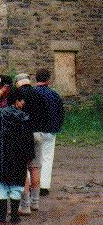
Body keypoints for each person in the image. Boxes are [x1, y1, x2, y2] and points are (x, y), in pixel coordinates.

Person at [0, 89, 34, 225]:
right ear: (17, 101)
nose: (24, 103)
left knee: (1, 184)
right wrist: (29, 155)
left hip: (0, 152)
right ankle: (14, 216)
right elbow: (28, 140)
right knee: (16, 184)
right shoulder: (25, 118)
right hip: (19, 155)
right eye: (22, 100)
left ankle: (0, 217)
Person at [14, 73, 49, 215]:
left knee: (23, 169)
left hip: (24, 135)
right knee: (35, 168)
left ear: (18, 83)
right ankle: (35, 202)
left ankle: (25, 205)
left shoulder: (18, 95)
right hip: (39, 134)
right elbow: (46, 116)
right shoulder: (39, 95)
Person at [35, 68, 65, 196]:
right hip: (50, 131)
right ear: (48, 79)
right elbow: (61, 113)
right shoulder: (54, 95)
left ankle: (32, 184)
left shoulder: (31, 93)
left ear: (36, 78)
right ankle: (44, 186)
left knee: (33, 159)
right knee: (47, 159)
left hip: (35, 131)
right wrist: (56, 127)